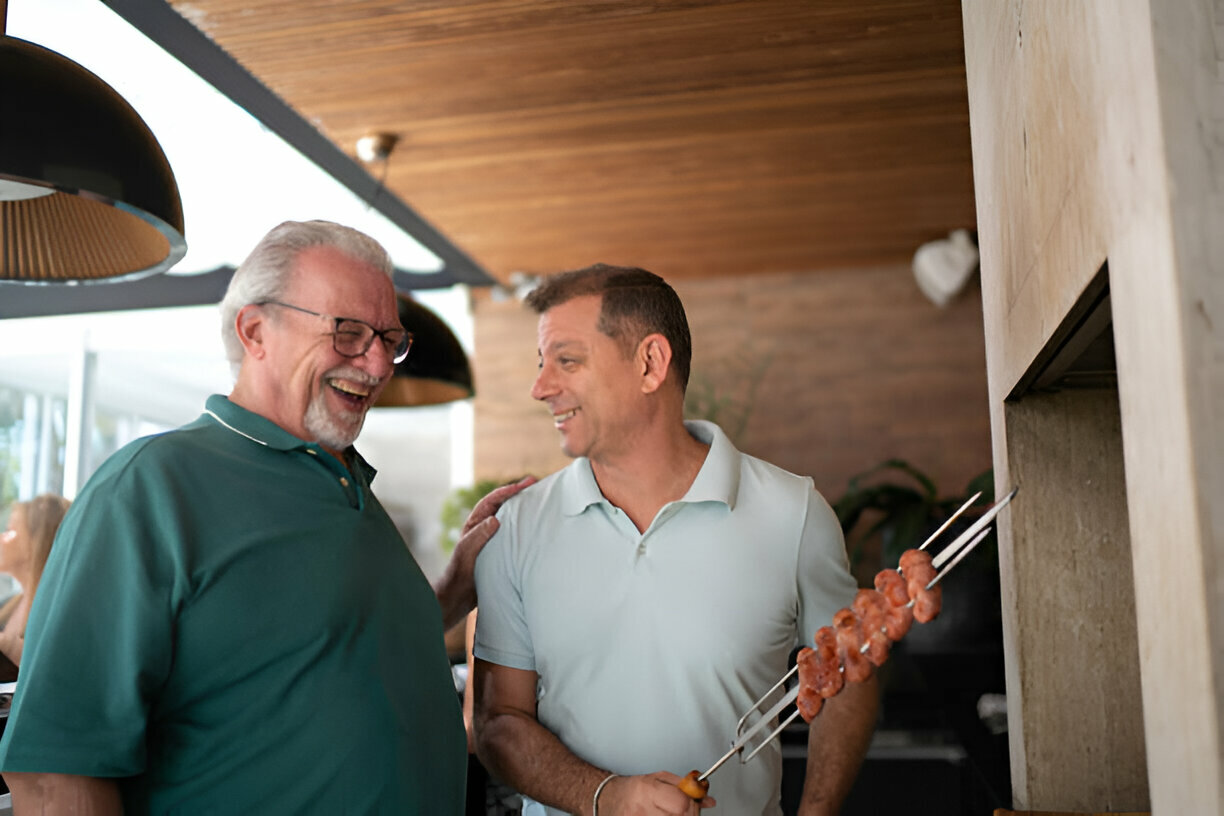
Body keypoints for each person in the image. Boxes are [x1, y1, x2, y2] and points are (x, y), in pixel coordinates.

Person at [0, 220, 530, 814]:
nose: (378, 365)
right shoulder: (150, 487)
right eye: (349, 333)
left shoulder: (347, 481)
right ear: (255, 331)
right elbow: (52, 773)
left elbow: (323, 651)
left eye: (390, 339)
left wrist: (456, 587)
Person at [472, 265, 879, 816]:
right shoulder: (514, 528)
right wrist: (607, 797)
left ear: (650, 363)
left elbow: (848, 678)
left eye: (566, 360)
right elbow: (498, 723)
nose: (540, 387)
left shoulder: (794, 513)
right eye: (541, 363)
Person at [0, 494, 71, 668]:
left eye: (10, 530)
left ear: (36, 542)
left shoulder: (58, 616)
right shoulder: (8, 606)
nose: (1, 538)